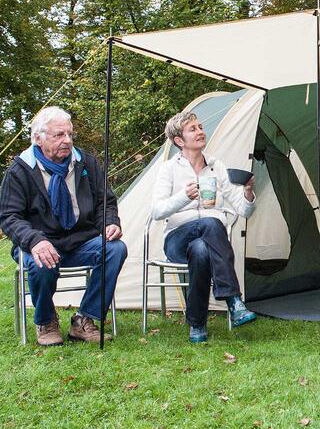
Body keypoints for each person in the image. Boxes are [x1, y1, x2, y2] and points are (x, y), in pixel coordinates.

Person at [0, 106, 127, 346]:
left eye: (69, 134)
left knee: (115, 249)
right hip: (38, 241)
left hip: (79, 239)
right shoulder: (20, 170)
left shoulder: (85, 162)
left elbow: (105, 202)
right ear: (38, 138)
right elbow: (9, 216)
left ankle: (85, 319)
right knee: (41, 259)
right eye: (59, 135)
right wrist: (35, 240)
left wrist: (110, 222)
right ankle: (46, 321)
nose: (67, 140)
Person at [152, 111, 258, 343]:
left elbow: (243, 210)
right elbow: (157, 211)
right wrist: (183, 196)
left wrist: (248, 192)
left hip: (208, 242)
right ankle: (232, 299)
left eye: (200, 126)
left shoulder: (216, 166)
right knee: (212, 222)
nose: (201, 131)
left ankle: (197, 325)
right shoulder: (169, 169)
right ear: (179, 141)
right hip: (178, 240)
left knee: (201, 250)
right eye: (193, 129)